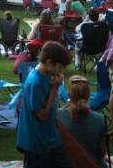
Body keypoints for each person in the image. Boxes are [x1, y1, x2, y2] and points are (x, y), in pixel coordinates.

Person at [16, 40, 73, 168]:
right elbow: (41, 115)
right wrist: (54, 89)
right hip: (36, 142)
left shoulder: (48, 74)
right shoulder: (35, 82)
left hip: (50, 137)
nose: (61, 72)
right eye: (60, 67)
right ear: (48, 62)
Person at [56, 76, 106, 168]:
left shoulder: (57, 118)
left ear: (69, 94)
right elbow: (101, 154)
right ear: (89, 95)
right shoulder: (100, 119)